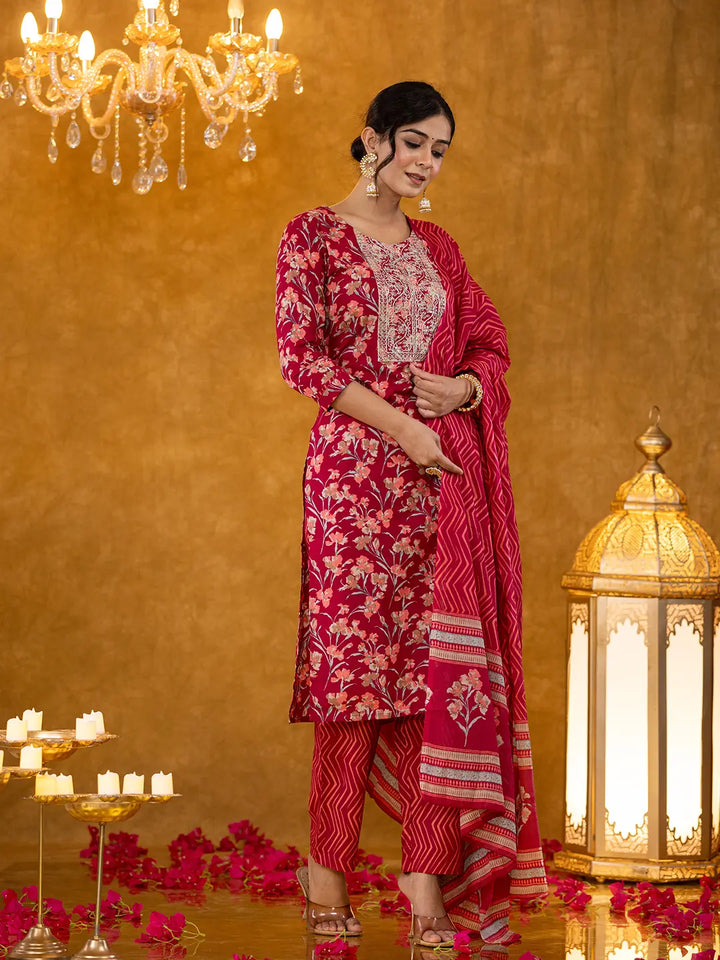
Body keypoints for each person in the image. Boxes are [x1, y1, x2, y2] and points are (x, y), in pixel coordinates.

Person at [275, 81, 547, 947]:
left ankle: (424, 880)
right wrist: (403, 427)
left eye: (440, 150)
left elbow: (488, 344)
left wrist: (463, 391)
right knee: (351, 684)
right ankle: (327, 873)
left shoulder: (439, 248)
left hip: (440, 491)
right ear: (373, 140)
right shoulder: (313, 236)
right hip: (354, 485)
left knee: (433, 682)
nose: (427, 162)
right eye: (415, 143)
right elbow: (302, 361)